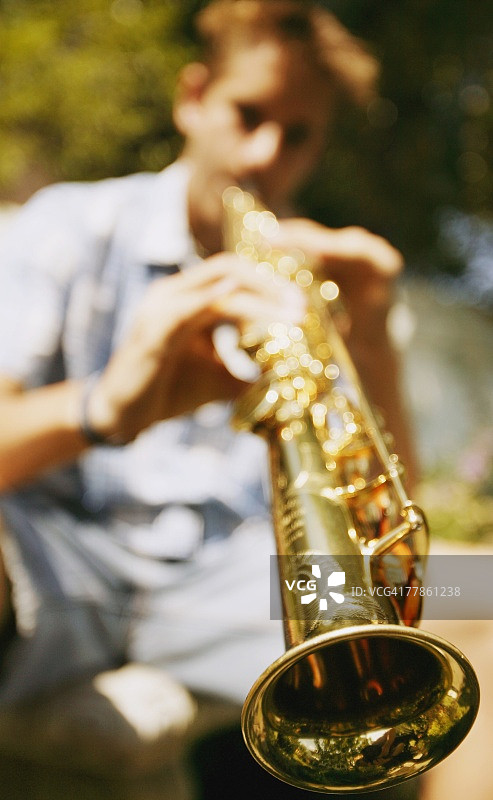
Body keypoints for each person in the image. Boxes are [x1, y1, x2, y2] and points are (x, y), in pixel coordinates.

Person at [0, 0, 414, 794]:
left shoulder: (326, 280)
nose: (265, 154)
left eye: (298, 135)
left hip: (233, 581)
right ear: (193, 99)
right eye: (247, 114)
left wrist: (370, 332)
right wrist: (101, 407)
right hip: (63, 561)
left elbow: (392, 541)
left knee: (475, 590)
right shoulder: (70, 224)